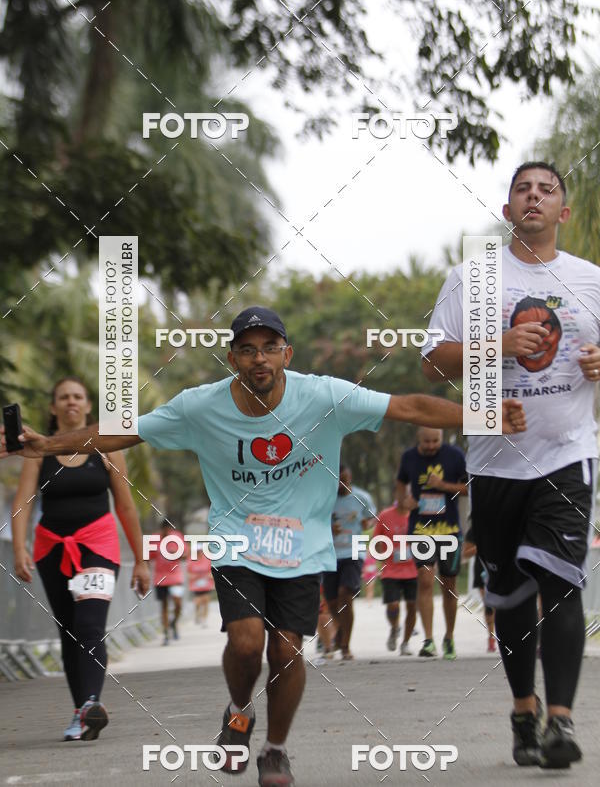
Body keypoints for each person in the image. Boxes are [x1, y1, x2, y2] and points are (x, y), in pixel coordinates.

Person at [2, 306, 526, 787]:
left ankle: (274, 749)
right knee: (249, 642)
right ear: (232, 357)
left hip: (304, 546)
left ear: (286, 355)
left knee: (287, 649)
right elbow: (123, 432)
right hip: (236, 540)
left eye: (270, 347)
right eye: (248, 349)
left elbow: (409, 406)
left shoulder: (323, 396)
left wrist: (485, 416)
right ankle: (237, 710)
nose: (259, 358)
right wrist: (47, 445)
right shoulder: (198, 406)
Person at [422, 162, 600, 769]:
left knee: (562, 582)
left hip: (568, 454)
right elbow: (434, 362)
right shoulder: (471, 277)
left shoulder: (590, 281)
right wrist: (496, 344)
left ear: (562, 212)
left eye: (547, 190)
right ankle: (523, 709)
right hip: (496, 463)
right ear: (507, 209)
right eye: (523, 189)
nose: (535, 197)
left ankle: (561, 721)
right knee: (509, 594)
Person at [10, 377, 149, 741]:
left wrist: (142, 559)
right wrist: (19, 547)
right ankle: (81, 714)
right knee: (69, 631)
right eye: (63, 397)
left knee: (89, 624)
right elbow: (23, 500)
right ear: (54, 408)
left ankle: (90, 703)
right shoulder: (36, 451)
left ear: (88, 406)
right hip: (51, 547)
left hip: (98, 546)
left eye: (78, 397)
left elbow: (125, 505)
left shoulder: (105, 449)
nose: (71, 402)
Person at [396, 427, 467, 660]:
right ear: (418, 438)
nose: (430, 445)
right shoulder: (408, 457)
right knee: (425, 580)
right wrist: (404, 501)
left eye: (435, 441)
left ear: (442, 437)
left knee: (449, 585)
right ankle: (428, 640)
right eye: (426, 441)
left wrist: (443, 485)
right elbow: (400, 485)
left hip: (449, 530)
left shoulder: (455, 456)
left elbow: (467, 487)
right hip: (420, 529)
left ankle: (449, 637)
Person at [322, 464, 376, 660]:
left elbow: (371, 519)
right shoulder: (326, 499)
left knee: (346, 594)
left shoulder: (362, 498)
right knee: (332, 601)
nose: (342, 485)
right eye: (338, 481)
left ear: (350, 478)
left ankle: (345, 645)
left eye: (345, 480)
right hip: (330, 554)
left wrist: (366, 523)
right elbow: (315, 522)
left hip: (354, 550)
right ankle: (341, 632)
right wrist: (329, 529)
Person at [372, 487, 418, 655]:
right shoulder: (385, 515)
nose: (407, 498)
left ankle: (405, 643)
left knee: (412, 606)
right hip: (390, 570)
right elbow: (376, 540)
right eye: (404, 495)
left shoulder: (417, 516)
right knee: (393, 605)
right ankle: (395, 628)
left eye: (410, 495)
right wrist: (381, 557)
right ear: (397, 495)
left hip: (413, 569)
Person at [150, 519, 185, 644]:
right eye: (164, 530)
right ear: (161, 529)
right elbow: (148, 556)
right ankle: (166, 633)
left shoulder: (177, 537)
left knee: (178, 604)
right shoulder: (154, 539)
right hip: (160, 578)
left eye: (169, 530)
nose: (167, 532)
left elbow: (186, 554)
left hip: (175, 577)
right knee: (164, 605)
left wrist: (176, 553)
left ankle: (173, 623)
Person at [462, 524, 496, 653]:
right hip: (482, 569)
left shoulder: (505, 522)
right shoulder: (476, 528)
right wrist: (481, 547)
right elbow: (466, 553)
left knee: (502, 605)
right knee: (489, 605)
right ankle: (491, 638)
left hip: (501, 567)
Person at [187, 544, 214, 626]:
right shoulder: (190, 560)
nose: (199, 552)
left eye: (200, 551)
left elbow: (212, 571)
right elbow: (188, 574)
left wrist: (210, 575)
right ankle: (197, 614)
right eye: (197, 551)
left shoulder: (208, 559)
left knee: (206, 601)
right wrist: (194, 576)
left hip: (206, 584)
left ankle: (204, 619)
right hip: (195, 585)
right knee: (198, 602)